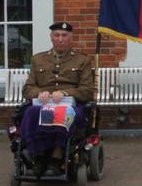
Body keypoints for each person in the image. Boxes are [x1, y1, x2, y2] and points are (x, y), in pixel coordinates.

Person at [21, 22, 94, 176]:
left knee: (64, 112)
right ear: (51, 38)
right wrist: (39, 93)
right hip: (44, 103)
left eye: (64, 35)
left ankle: (56, 155)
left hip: (70, 105)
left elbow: (87, 90)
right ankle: (38, 154)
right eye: (57, 35)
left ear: (71, 38)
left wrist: (65, 93)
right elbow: (27, 88)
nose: (61, 39)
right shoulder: (38, 59)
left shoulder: (82, 60)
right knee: (32, 112)